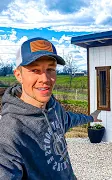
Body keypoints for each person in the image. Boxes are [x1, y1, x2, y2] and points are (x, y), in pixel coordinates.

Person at [0, 37, 102, 179]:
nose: (45, 79)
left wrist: (91, 118)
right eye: (35, 70)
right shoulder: (10, 132)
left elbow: (68, 119)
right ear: (19, 75)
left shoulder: (54, 107)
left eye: (50, 69)